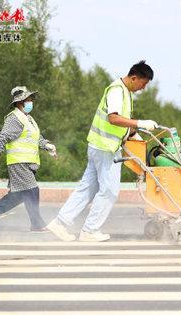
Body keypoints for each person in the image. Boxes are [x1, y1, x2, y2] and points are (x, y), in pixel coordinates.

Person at [47, 60, 158, 242]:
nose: (143, 88)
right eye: (143, 84)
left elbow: (121, 122)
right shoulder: (116, 90)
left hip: (99, 146)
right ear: (134, 77)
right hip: (105, 149)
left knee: (87, 189)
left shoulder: (125, 92)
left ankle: (60, 223)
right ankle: (90, 230)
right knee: (109, 191)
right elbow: (113, 118)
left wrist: (134, 134)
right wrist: (139, 122)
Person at [0, 86, 57, 231]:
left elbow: (36, 138)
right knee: (32, 190)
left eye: (31, 99)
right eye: (28, 99)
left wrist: (48, 146)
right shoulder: (14, 118)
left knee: (19, 195)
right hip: (18, 163)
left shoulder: (28, 119)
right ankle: (37, 224)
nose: (31, 102)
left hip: (28, 163)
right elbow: (2, 136)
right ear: (19, 102)